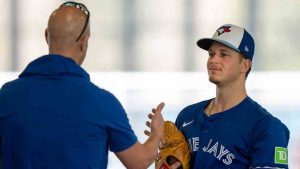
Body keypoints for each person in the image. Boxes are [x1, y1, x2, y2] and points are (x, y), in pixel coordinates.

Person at [0, 2, 165, 169]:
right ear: (84, 41)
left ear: (46, 36)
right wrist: (157, 133)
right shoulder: (102, 103)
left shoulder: (5, 96)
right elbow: (139, 161)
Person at [173, 24, 290, 168]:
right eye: (211, 54)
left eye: (223, 54)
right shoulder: (187, 116)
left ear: (245, 65)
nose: (213, 60)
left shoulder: (267, 127)